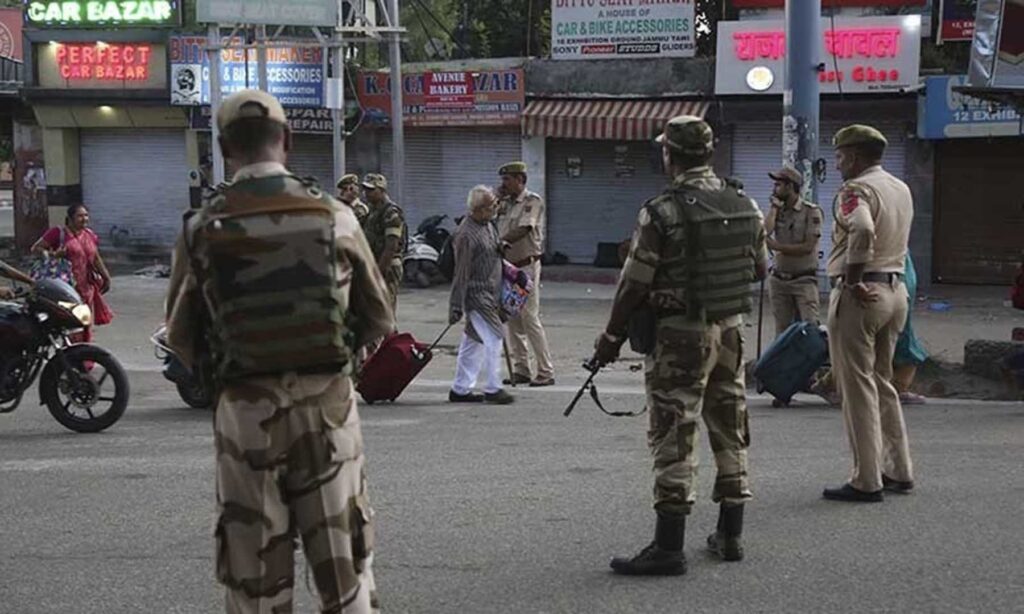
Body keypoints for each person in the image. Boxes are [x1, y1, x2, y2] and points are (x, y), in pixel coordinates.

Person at [165, 89, 394, 614]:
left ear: (224, 147)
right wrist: (333, 362)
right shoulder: (334, 215)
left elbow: (180, 335)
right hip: (329, 412)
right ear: (287, 140)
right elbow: (378, 313)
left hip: (245, 417)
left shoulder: (202, 228)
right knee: (346, 572)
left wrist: (234, 373)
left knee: (255, 581)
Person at [592, 115, 767, 576]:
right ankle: (731, 535)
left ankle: (669, 547)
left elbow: (633, 284)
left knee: (674, 431)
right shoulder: (746, 203)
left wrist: (611, 337)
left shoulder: (662, 211)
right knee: (730, 426)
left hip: (680, 338)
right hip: (730, 330)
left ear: (669, 154)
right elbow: (760, 270)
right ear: (708, 153)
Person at [822, 124, 915, 503]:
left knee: (857, 388)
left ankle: (866, 480)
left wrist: (853, 277)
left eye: (841, 156)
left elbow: (861, 228)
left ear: (855, 157)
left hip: (862, 295)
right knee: (882, 382)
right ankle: (899, 470)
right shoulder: (900, 187)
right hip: (895, 292)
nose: (838, 162)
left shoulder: (855, 190)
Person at [448, 186, 514, 405]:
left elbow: (492, 245)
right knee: (495, 337)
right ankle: (494, 388)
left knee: (473, 342)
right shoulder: (466, 234)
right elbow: (461, 273)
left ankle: (460, 388)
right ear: (478, 209)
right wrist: (456, 305)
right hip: (477, 295)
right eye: (491, 206)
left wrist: (500, 246)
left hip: (491, 291)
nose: (495, 209)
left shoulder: (488, 224)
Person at [495, 161, 555, 387]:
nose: (504, 183)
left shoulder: (532, 201)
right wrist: (495, 196)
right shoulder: (504, 203)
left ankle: (545, 370)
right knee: (512, 318)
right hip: (507, 267)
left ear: (520, 179)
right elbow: (488, 215)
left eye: (507, 179)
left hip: (525, 267)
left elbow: (524, 229)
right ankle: (521, 368)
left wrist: (501, 242)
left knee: (529, 317)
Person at [31, 203, 113, 343]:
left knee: (86, 323)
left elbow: (95, 257)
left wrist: (106, 276)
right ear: (70, 218)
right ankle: (71, 357)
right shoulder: (58, 233)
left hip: (87, 288)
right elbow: (36, 249)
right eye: (80, 216)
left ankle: (85, 359)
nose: (84, 219)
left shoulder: (89, 235)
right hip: (67, 289)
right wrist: (53, 255)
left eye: (86, 215)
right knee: (72, 325)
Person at [763, 165, 822, 337]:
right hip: (779, 280)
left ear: (790, 186)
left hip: (803, 280)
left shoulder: (810, 211)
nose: (774, 189)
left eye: (778, 185)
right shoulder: (778, 210)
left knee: (810, 328)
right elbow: (765, 233)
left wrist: (777, 247)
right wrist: (773, 209)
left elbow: (808, 247)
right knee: (782, 331)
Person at [361, 173, 406, 315]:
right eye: (365, 189)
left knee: (385, 310)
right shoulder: (373, 210)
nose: (366, 193)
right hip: (376, 263)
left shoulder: (390, 212)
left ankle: (391, 337)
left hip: (387, 266)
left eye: (371, 190)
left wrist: (378, 272)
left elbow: (391, 246)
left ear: (381, 191)